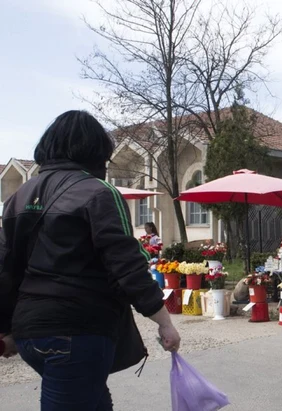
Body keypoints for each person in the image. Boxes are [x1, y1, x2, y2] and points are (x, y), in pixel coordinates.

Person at [0, 110, 181, 409]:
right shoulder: (99, 193)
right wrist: (163, 322)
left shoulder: (19, 196)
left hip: (31, 331)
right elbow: (126, 265)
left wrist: (6, 327)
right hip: (78, 330)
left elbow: (6, 267)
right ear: (97, 151)